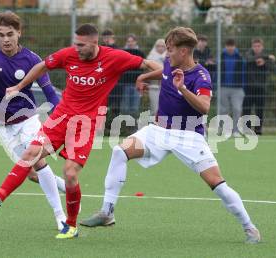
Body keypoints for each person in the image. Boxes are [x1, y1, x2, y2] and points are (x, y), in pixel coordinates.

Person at [0, 23, 162, 239]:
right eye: (75, 44)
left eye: (81, 45)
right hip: (60, 117)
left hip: (85, 124)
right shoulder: (69, 54)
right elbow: (42, 66)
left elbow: (150, 64)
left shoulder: (115, 57)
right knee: (31, 154)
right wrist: (19, 87)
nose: (76, 48)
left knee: (69, 173)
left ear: (94, 43)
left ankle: (70, 225)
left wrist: (151, 77)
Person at [80, 27, 261, 244]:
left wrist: (183, 88)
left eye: (170, 50)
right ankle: (107, 212)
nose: (167, 54)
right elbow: (163, 71)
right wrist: (144, 76)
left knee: (218, 184)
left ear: (183, 51)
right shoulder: (171, 63)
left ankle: (250, 228)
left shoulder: (201, 76)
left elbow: (204, 107)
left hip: (189, 137)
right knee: (120, 152)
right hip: (158, 131)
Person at [0, 12, 67, 230]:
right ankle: (69, 187)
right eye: (1, 35)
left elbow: (51, 93)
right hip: (3, 126)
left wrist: (65, 117)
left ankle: (60, 216)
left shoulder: (32, 59)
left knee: (33, 160)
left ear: (19, 33)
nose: (5, 39)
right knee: (33, 174)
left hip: (28, 120)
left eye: (10, 34)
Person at [243, 38, 275, 135]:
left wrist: (265, 62)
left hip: (261, 88)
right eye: (255, 46)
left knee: (260, 110)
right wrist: (266, 57)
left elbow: (274, 68)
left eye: (258, 46)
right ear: (252, 47)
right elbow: (248, 59)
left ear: (262, 47)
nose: (256, 48)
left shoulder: (266, 60)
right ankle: (246, 130)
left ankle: (258, 130)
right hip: (249, 88)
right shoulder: (248, 54)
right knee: (247, 109)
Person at [219, 39, 245, 137]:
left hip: (237, 88)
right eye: (228, 45)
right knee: (223, 110)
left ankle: (236, 131)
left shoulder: (240, 57)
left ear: (235, 46)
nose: (230, 48)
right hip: (223, 86)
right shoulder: (220, 56)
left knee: (237, 109)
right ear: (225, 46)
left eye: (232, 45)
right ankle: (224, 130)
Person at [119, 34, 146, 119]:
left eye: (132, 41)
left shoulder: (140, 53)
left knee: (135, 107)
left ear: (135, 41)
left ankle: (134, 125)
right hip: (125, 83)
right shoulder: (123, 52)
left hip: (136, 83)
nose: (130, 43)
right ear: (126, 42)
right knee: (125, 107)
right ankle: (125, 126)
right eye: (128, 41)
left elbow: (143, 67)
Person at [146, 38, 166, 115]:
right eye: (158, 46)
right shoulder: (150, 58)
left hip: (166, 87)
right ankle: (154, 126)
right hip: (154, 86)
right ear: (155, 47)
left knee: (165, 108)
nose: (160, 48)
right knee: (155, 109)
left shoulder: (170, 57)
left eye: (162, 46)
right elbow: (148, 72)